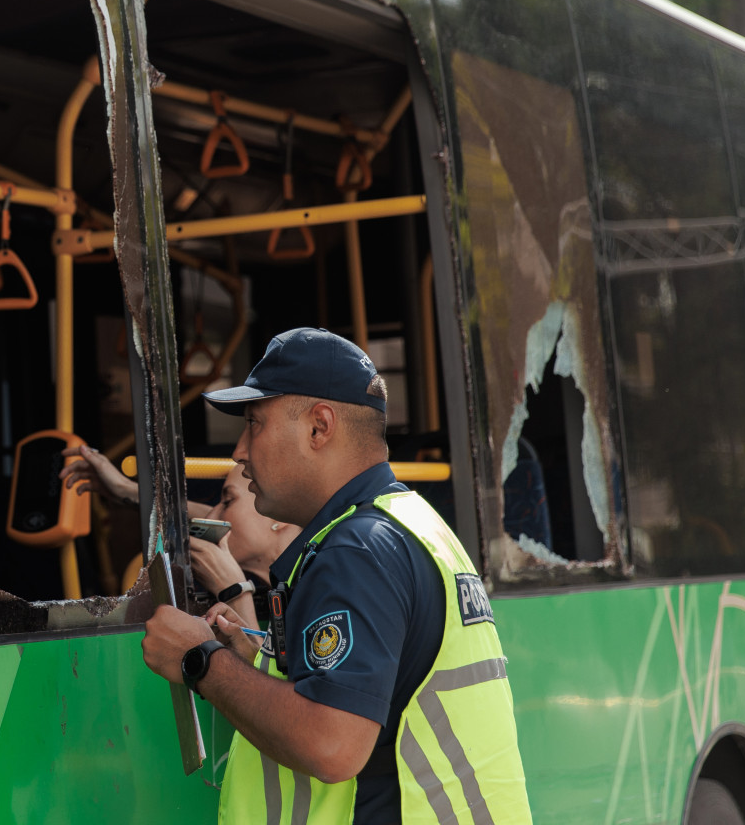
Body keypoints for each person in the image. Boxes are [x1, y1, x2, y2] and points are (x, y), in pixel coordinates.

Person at [139, 328, 530, 824]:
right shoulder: (410, 522)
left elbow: (332, 745)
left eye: (255, 424)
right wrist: (256, 664)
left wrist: (201, 660)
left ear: (319, 428)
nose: (239, 450)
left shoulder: (356, 549)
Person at [60, 446, 296, 626]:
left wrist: (235, 592)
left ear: (281, 516)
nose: (209, 517)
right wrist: (126, 489)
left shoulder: (320, 584)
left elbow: (262, 686)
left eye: (227, 500)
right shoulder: (290, 577)